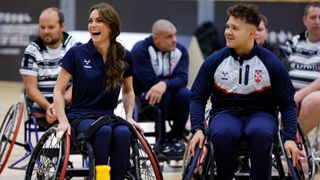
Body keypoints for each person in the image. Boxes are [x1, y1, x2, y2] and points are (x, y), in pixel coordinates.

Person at [188, 4, 298, 179]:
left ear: (251, 34)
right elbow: (197, 97)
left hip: (261, 113)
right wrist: (198, 129)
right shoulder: (215, 61)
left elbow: (287, 103)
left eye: (234, 28)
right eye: (227, 27)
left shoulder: (271, 63)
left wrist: (290, 137)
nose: (228, 32)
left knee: (260, 133)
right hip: (225, 112)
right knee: (222, 132)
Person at [54, 3, 142, 179]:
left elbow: (128, 91)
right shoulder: (76, 53)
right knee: (104, 131)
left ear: (111, 26)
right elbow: (58, 91)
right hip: (80, 116)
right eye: (90, 21)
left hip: (108, 115)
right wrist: (63, 121)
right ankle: (100, 177)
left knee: (124, 132)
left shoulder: (125, 55)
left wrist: (130, 116)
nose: (93, 25)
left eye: (99, 21)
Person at [131, 19, 190, 157]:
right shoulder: (140, 50)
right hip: (145, 100)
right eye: (169, 36)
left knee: (185, 94)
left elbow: (183, 78)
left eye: (175, 35)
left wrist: (165, 84)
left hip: (171, 97)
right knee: (163, 95)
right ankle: (162, 141)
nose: (174, 40)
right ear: (156, 39)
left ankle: (175, 138)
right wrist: (168, 84)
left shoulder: (181, 51)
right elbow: (149, 83)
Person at [19, 7, 80, 124]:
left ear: (62, 26)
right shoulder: (31, 51)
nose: (46, 31)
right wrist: (49, 107)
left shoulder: (76, 47)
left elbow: (80, 81)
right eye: (42, 27)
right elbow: (30, 88)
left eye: (51, 27)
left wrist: (61, 104)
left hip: (68, 102)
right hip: (41, 105)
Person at [284, 2, 320, 134]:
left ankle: (297, 141)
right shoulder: (293, 42)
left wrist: (299, 95)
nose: (317, 22)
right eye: (313, 17)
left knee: (314, 101)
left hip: (312, 96)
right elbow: (281, 70)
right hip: (290, 94)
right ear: (305, 20)